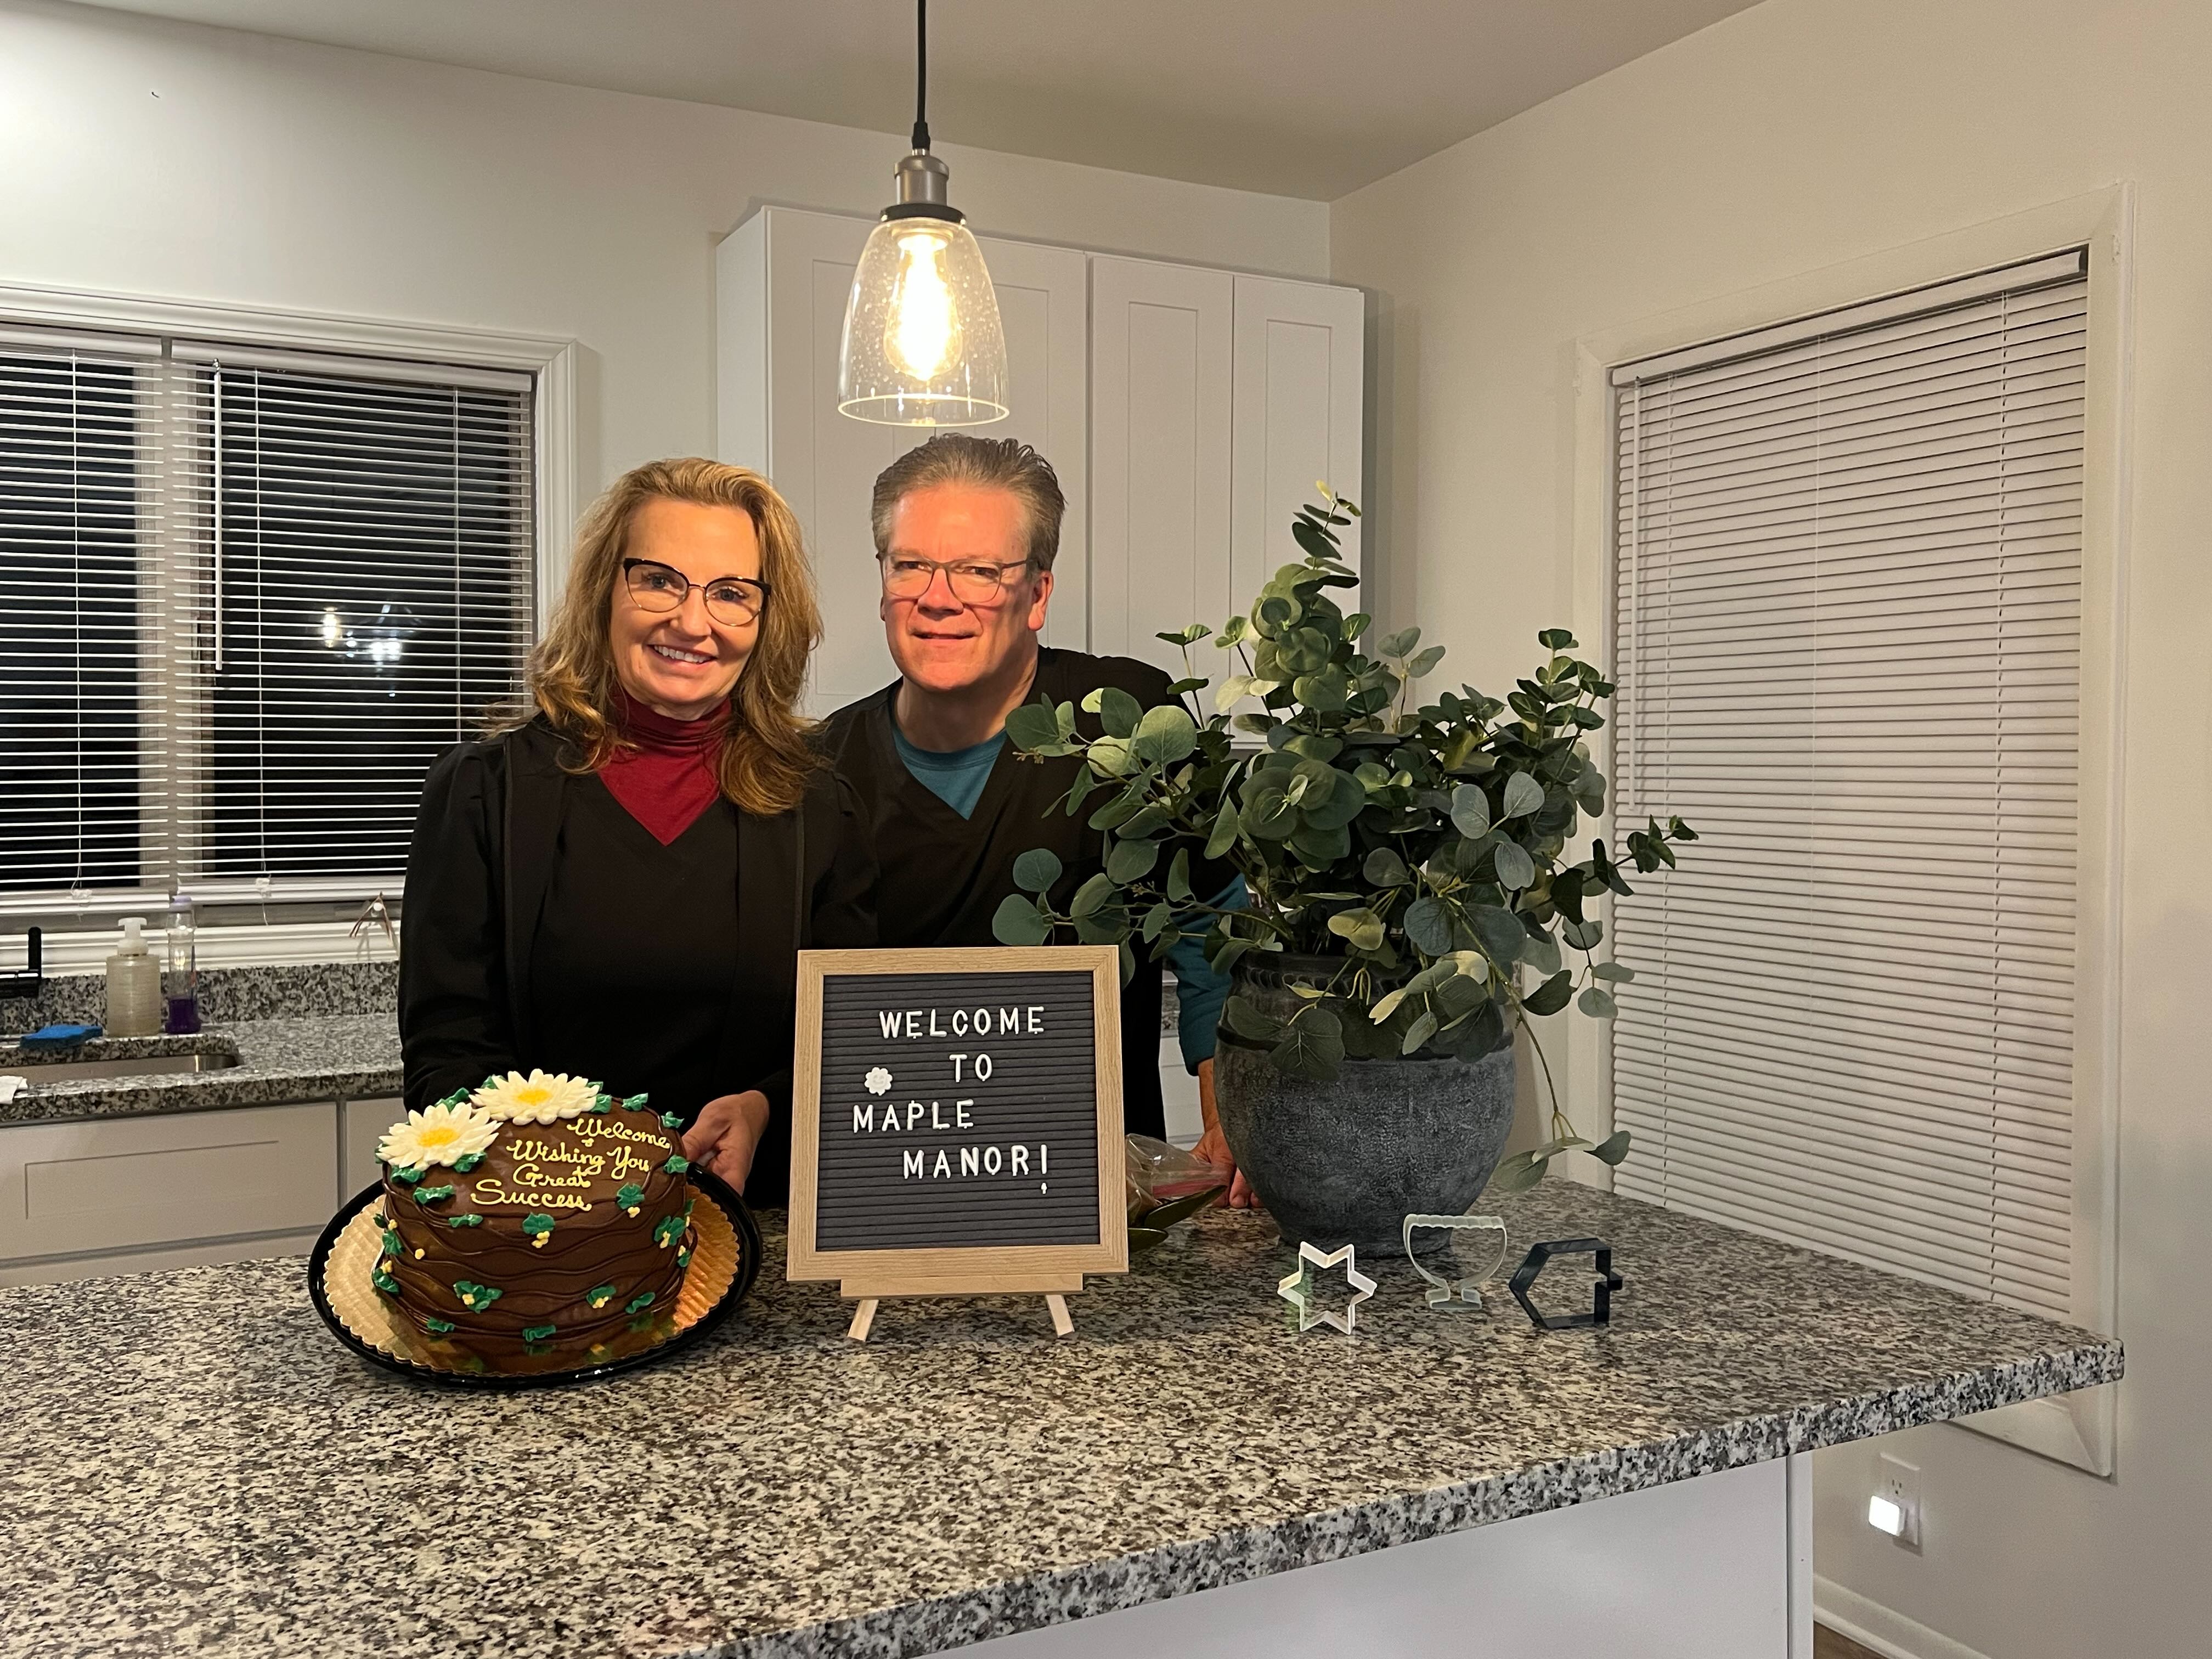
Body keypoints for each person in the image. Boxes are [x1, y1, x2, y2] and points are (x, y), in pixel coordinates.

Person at [399, 458, 875, 1206]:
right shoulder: (483, 795)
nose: (693, 622)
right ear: (603, 593)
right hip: (545, 1240)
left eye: (731, 594)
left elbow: (849, 1039)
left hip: (757, 1233)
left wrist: (765, 1107)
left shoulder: (821, 808)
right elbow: (446, 1054)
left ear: (765, 617)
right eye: (658, 580)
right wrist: (570, 1185)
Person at [819, 435, 1255, 1205]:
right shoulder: (820, 771)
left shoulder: (1129, 725)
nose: (937, 596)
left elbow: (1211, 932)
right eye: (910, 564)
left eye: (980, 572)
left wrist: (1234, 1123)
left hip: (1098, 1199)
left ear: (1039, 594)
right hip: (886, 1197)